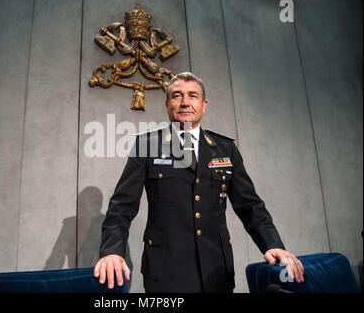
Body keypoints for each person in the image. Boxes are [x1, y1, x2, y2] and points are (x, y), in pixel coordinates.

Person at [94, 72, 304, 292]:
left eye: (192, 96)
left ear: (204, 105)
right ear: (167, 104)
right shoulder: (146, 145)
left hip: (216, 271)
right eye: (177, 96)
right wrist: (111, 251)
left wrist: (273, 245)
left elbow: (250, 205)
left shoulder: (225, 148)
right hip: (166, 272)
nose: (185, 102)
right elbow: (122, 206)